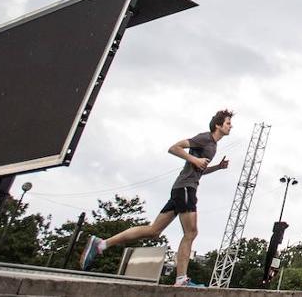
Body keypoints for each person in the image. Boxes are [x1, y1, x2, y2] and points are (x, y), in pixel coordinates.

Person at [80, 110, 234, 286]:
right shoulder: (205, 138)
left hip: (182, 188)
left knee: (154, 231)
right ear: (218, 125)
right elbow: (174, 148)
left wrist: (218, 167)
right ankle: (181, 279)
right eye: (228, 123)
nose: (231, 126)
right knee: (191, 232)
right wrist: (194, 159)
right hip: (185, 188)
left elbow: (199, 170)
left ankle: (101, 244)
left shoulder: (213, 145)